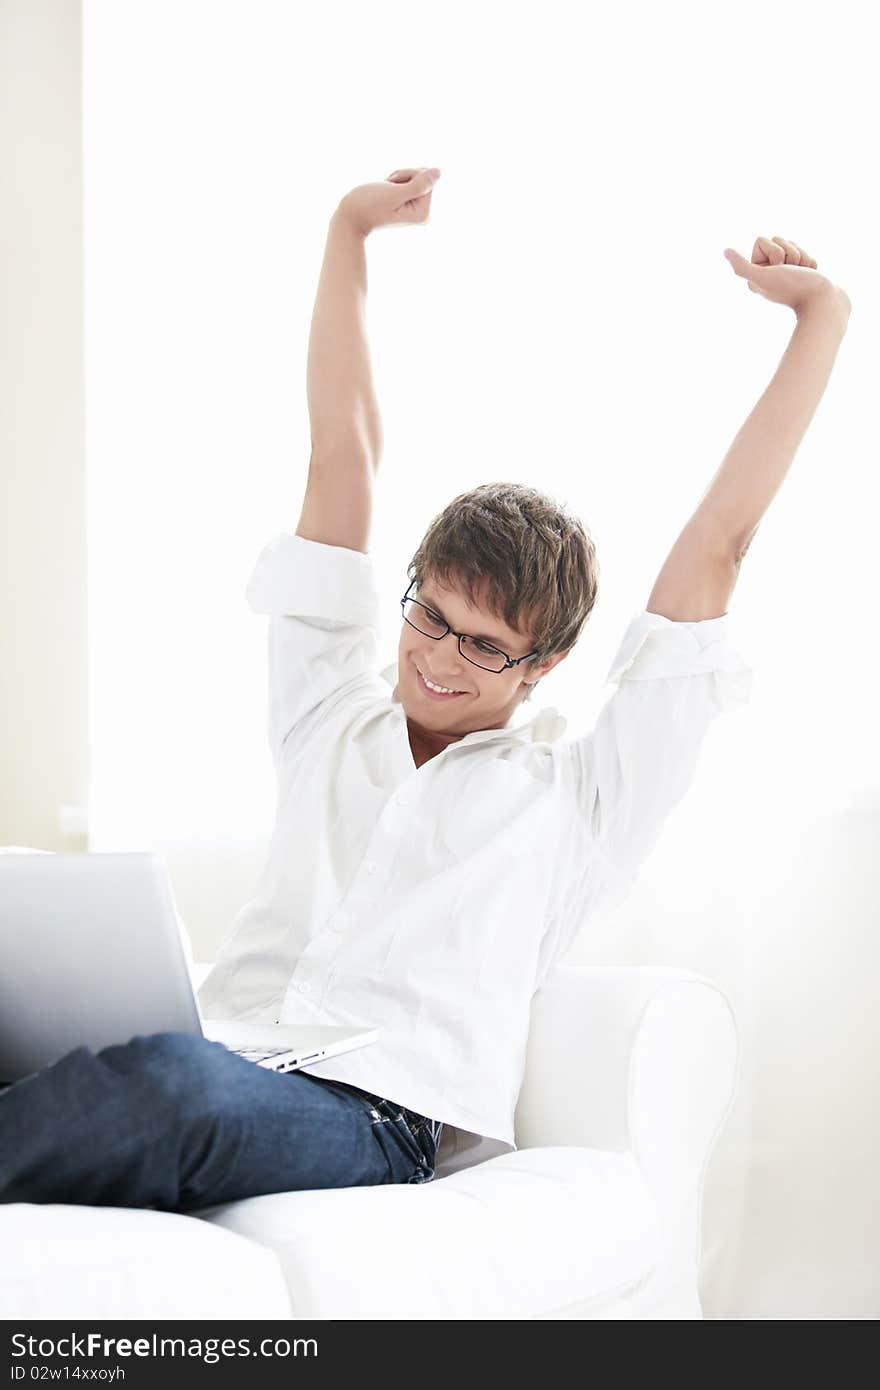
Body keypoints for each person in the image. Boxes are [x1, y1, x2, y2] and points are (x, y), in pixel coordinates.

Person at [0, 169, 851, 1211]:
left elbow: (719, 546)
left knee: (171, 1088)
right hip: (228, 1054)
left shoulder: (580, 801)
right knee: (131, 1063)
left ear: (544, 665)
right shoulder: (329, 717)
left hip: (375, 1116)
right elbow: (340, 456)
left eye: (486, 647)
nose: (439, 659)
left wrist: (820, 318)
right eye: (429, 616)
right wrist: (347, 235)